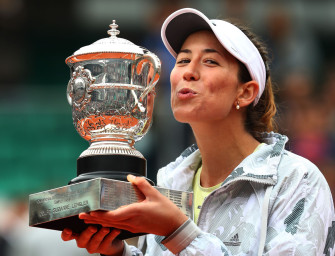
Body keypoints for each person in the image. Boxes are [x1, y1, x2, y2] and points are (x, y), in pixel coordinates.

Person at [61, 8, 335, 256]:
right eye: (182, 60)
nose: (188, 72)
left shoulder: (297, 180)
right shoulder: (168, 181)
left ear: (246, 91)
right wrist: (118, 253)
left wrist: (178, 232)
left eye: (210, 62)